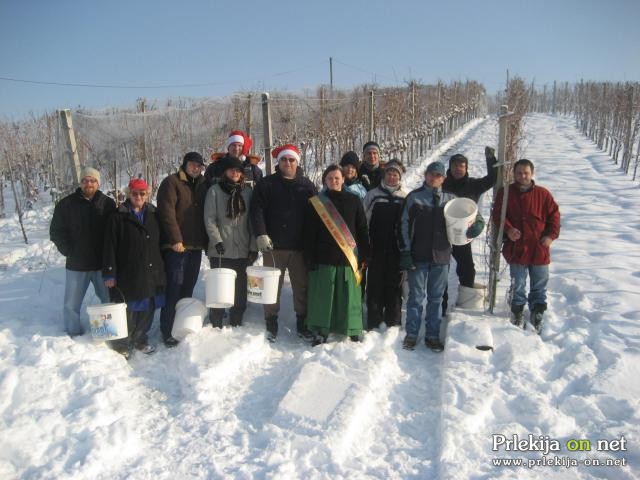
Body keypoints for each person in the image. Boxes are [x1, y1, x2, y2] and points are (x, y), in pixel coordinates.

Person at [399, 161, 485, 352]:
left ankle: (432, 335)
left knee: (436, 298)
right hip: (417, 255)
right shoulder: (414, 198)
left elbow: (471, 213)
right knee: (415, 297)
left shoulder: (451, 199)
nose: (434, 178)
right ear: (425, 175)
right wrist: (405, 251)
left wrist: (477, 224)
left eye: (438, 176)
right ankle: (412, 334)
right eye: (431, 174)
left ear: (443, 179)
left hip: (441, 255)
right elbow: (403, 225)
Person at [249, 144, 317, 342]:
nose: (288, 163)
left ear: (297, 162)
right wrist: (260, 233)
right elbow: (257, 210)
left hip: (299, 247)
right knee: (271, 287)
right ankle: (271, 321)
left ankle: (302, 323)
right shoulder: (267, 184)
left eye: (292, 160)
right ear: (278, 162)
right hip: (273, 247)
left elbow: (315, 215)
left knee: (301, 287)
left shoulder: (307, 186)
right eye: (284, 160)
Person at [491, 159, 560, 333]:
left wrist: (550, 236)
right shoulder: (505, 193)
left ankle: (537, 311)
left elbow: (555, 217)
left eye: (526, 173)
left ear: (532, 174)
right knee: (518, 283)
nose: (523, 176)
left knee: (539, 284)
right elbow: (498, 214)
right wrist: (508, 229)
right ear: (514, 174)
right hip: (517, 248)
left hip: (539, 248)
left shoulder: (543, 194)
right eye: (519, 173)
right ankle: (517, 310)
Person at [304, 165, 370, 344]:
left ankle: (352, 328)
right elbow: (309, 233)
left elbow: (362, 229)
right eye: (330, 178)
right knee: (324, 295)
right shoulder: (317, 202)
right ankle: (320, 329)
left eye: (337, 178)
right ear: (325, 181)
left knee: (349, 296)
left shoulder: (354, 200)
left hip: (349, 258)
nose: (334, 181)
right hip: (324, 257)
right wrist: (309, 256)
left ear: (343, 179)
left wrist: (365, 254)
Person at [102, 178, 165, 358]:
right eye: (135, 193)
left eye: (142, 193)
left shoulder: (153, 213)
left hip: (151, 269)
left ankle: (140, 339)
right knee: (128, 309)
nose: (138, 196)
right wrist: (109, 273)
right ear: (128, 194)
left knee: (147, 308)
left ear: (147, 195)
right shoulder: (118, 215)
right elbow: (109, 246)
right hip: (127, 271)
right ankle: (122, 344)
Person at [50, 167, 116, 337]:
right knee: (71, 304)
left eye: (93, 180)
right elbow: (56, 231)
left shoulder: (108, 204)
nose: (89, 183)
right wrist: (69, 251)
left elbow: (115, 232)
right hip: (77, 265)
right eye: (85, 180)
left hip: (102, 265)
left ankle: (107, 332)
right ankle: (73, 334)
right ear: (80, 182)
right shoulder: (66, 204)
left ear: (98, 183)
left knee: (108, 300)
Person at [156, 152, 209, 347]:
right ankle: (167, 329)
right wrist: (175, 239)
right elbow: (166, 212)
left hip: (195, 247)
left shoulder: (203, 185)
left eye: (199, 165)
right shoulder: (172, 182)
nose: (196, 168)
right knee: (173, 289)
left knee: (187, 288)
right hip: (177, 248)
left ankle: (181, 326)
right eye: (193, 164)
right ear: (185, 165)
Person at [441, 147, 498, 315]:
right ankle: (441, 303)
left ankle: (466, 300)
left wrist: (490, 160)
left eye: (462, 166)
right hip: (442, 233)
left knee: (467, 267)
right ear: (450, 168)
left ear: (466, 168)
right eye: (455, 166)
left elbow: (492, 179)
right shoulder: (442, 184)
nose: (458, 169)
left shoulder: (473, 184)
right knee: (442, 268)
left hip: (463, 235)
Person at [204, 156, 258, 328]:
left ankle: (237, 316)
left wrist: (253, 246)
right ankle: (217, 316)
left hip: (242, 249)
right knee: (219, 286)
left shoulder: (247, 192)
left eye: (238, 170)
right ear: (225, 172)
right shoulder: (214, 191)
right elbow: (209, 219)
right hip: (220, 249)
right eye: (232, 170)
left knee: (240, 286)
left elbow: (252, 221)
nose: (235, 173)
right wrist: (217, 241)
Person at [363, 159, 408, 330]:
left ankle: (393, 321)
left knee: (394, 284)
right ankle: (373, 321)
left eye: (395, 174)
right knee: (374, 284)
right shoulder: (373, 195)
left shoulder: (405, 197)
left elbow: (409, 224)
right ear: (384, 175)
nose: (391, 176)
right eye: (389, 173)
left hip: (396, 249)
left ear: (399, 177)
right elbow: (364, 221)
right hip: (376, 248)